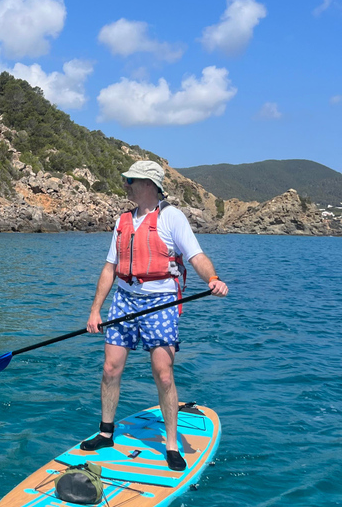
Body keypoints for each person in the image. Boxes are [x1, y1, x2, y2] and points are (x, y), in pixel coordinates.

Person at [81, 160, 228, 471]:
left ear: (148, 185)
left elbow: (196, 255)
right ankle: (106, 432)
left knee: (163, 373)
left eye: (131, 180)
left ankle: (172, 444)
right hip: (124, 300)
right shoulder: (123, 221)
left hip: (160, 302)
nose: (127, 185)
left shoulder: (171, 217)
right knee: (110, 369)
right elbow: (110, 268)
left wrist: (212, 279)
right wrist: (95, 310)